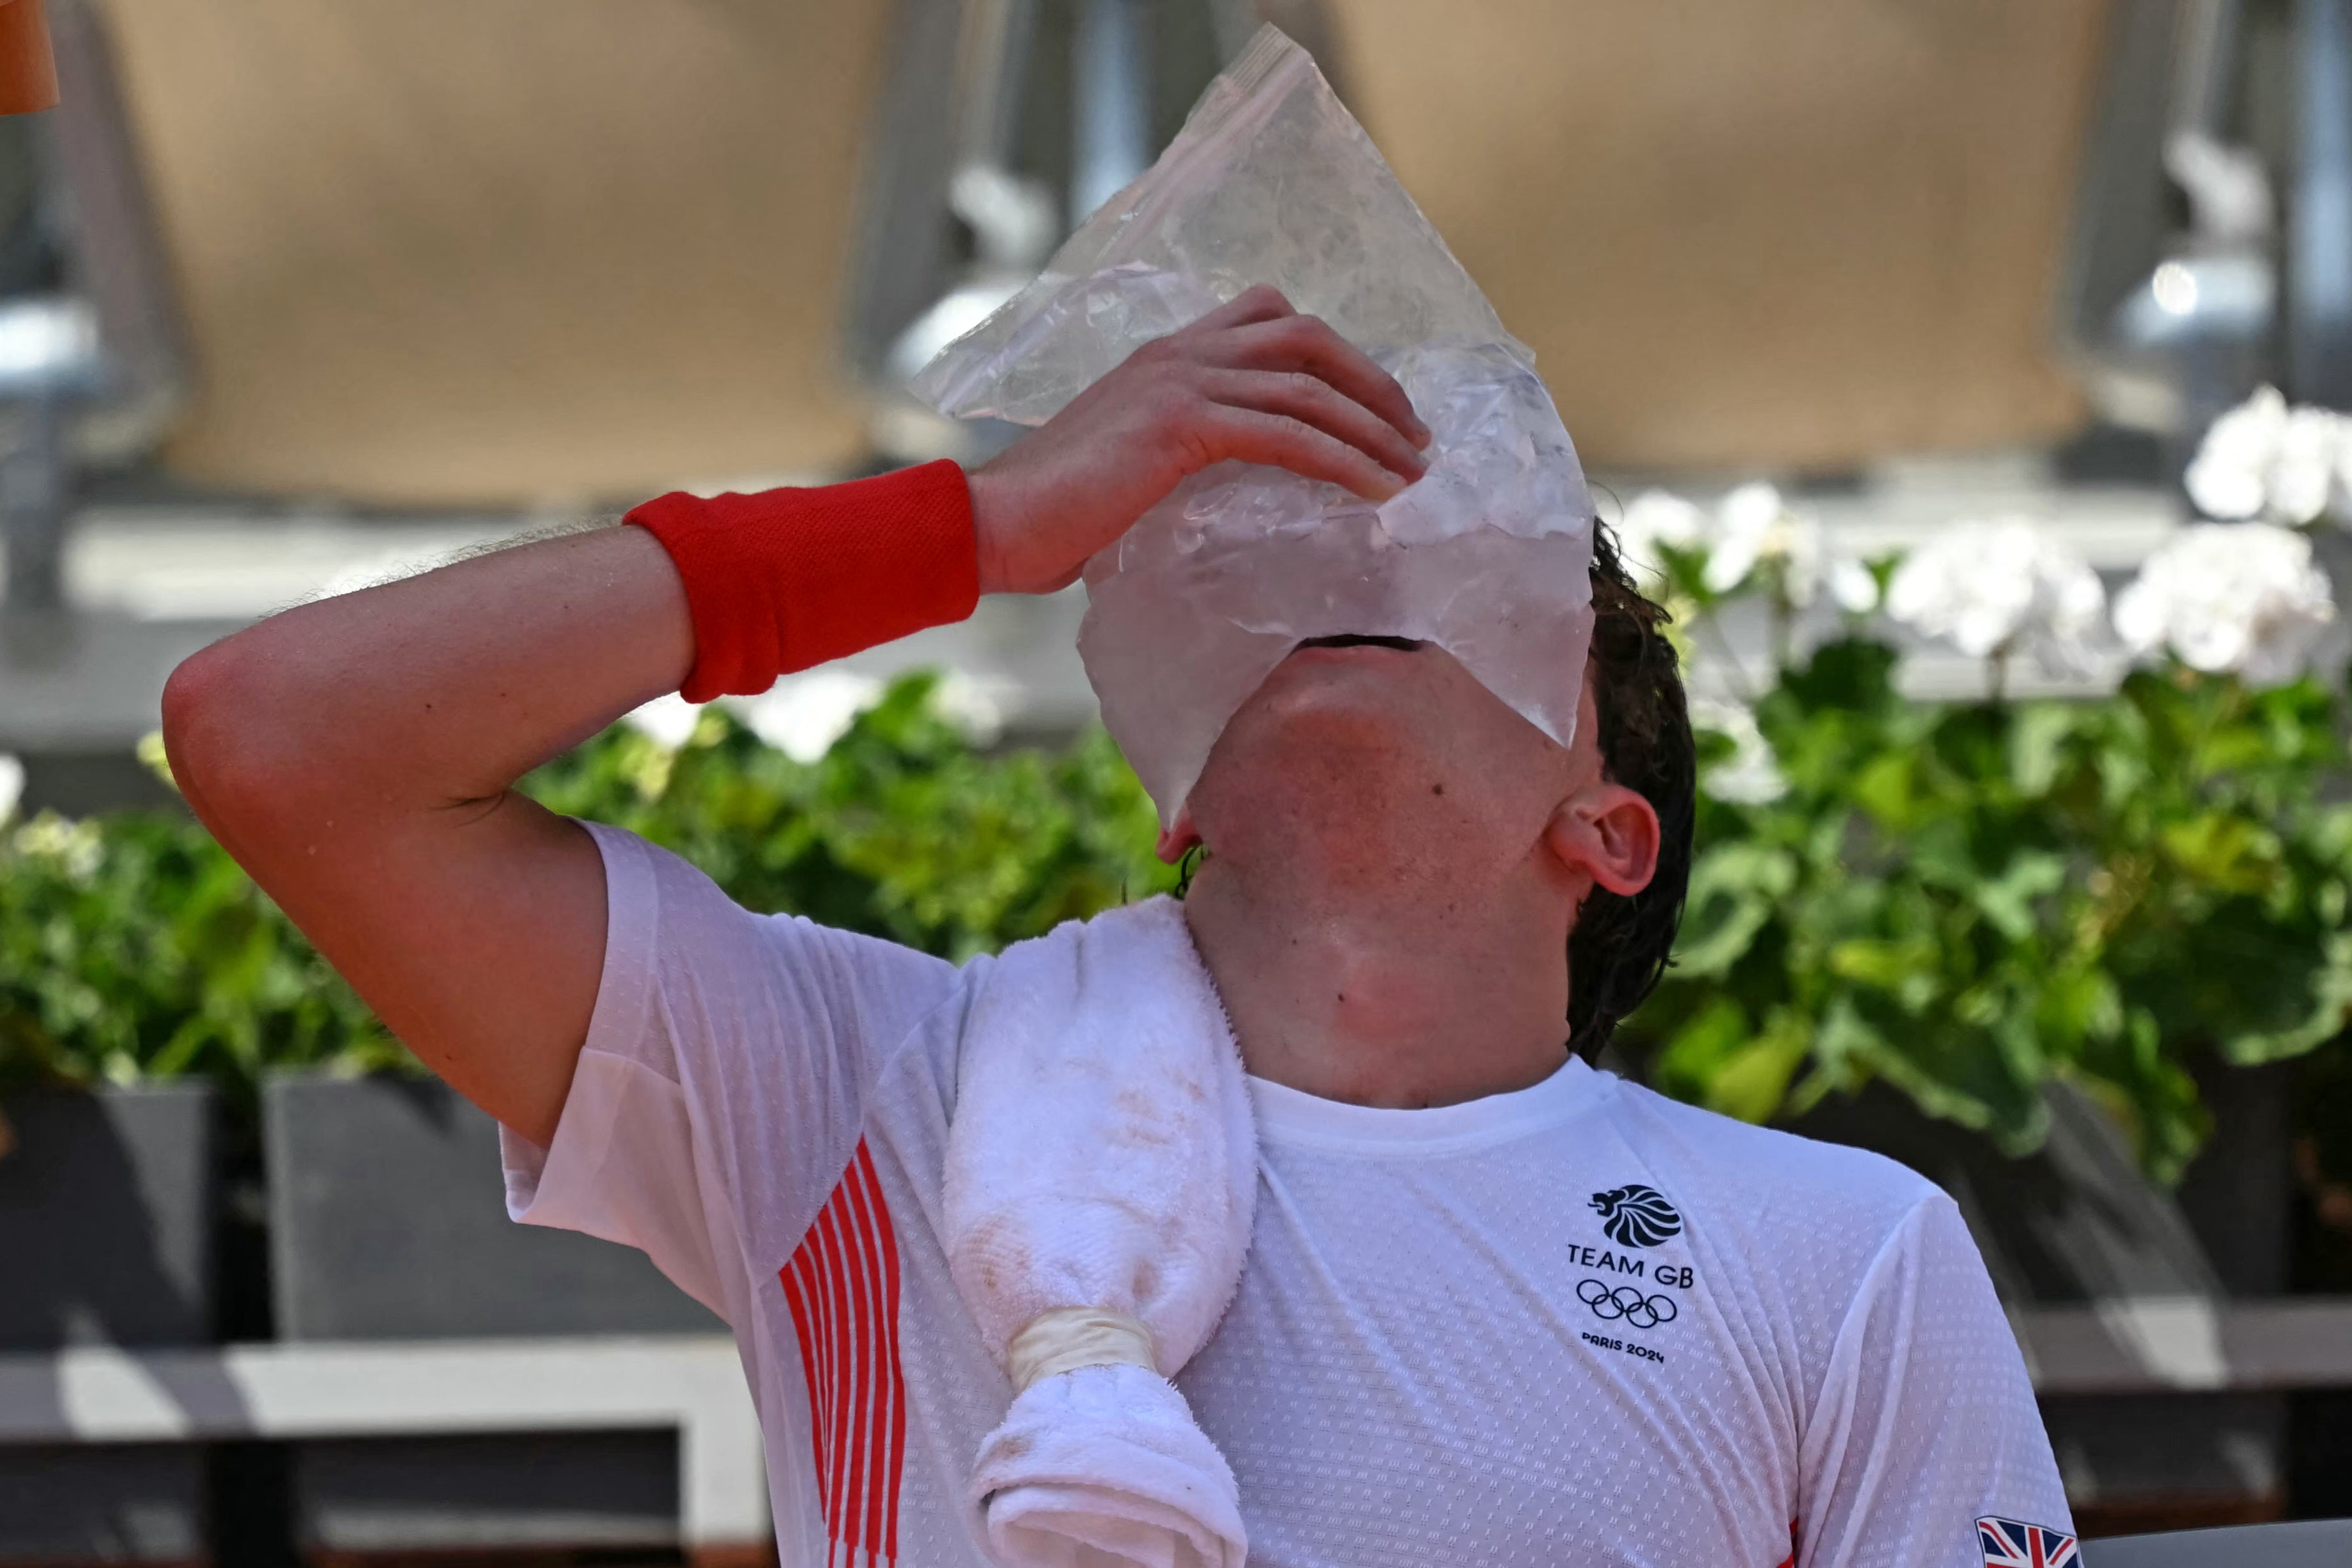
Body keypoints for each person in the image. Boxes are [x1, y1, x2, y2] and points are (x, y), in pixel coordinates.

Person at [163, 287, 2073, 1567]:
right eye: (1295, 573)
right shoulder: (861, 1083)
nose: (1361, 565)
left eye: (1470, 580)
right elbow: (283, 738)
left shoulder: (1845, 1257)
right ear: (1183, 801)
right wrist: (975, 527)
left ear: (1611, 830)